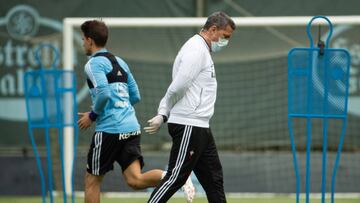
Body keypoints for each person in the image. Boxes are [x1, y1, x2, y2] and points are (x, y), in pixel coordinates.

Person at [77, 20, 194, 203]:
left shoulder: (93, 64)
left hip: (109, 130)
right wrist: (120, 108)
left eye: (83, 39)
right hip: (131, 128)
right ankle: (176, 176)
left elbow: (104, 93)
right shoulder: (121, 62)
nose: (82, 42)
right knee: (135, 180)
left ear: (90, 41)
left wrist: (92, 115)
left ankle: (176, 177)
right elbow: (136, 95)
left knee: (92, 181)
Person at [144, 11, 236, 203]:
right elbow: (179, 85)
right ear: (212, 30)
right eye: (225, 37)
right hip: (189, 125)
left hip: (200, 126)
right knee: (175, 178)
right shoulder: (196, 50)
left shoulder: (202, 49)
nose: (226, 42)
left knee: (214, 180)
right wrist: (163, 112)